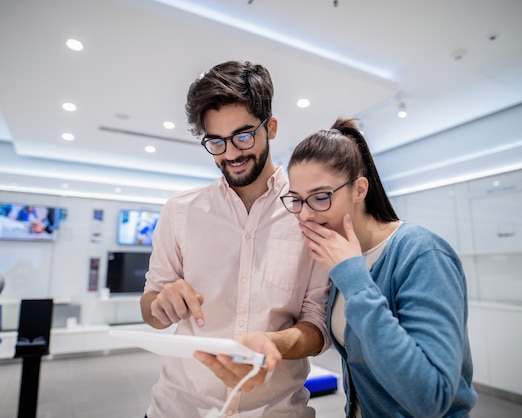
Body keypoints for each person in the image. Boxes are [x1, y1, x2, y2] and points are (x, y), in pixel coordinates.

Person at [140, 60, 331, 417]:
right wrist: (159, 305)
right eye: (216, 141)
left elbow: (317, 325)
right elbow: (150, 309)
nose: (231, 153)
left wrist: (272, 345)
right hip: (179, 408)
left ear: (270, 128)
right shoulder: (179, 211)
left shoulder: (308, 211)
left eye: (243, 136)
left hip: (277, 410)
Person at [280, 117, 478, 417]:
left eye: (320, 198)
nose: (304, 215)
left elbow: (431, 397)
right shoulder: (339, 257)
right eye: (296, 199)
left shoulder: (421, 253)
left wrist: (354, 279)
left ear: (359, 189)